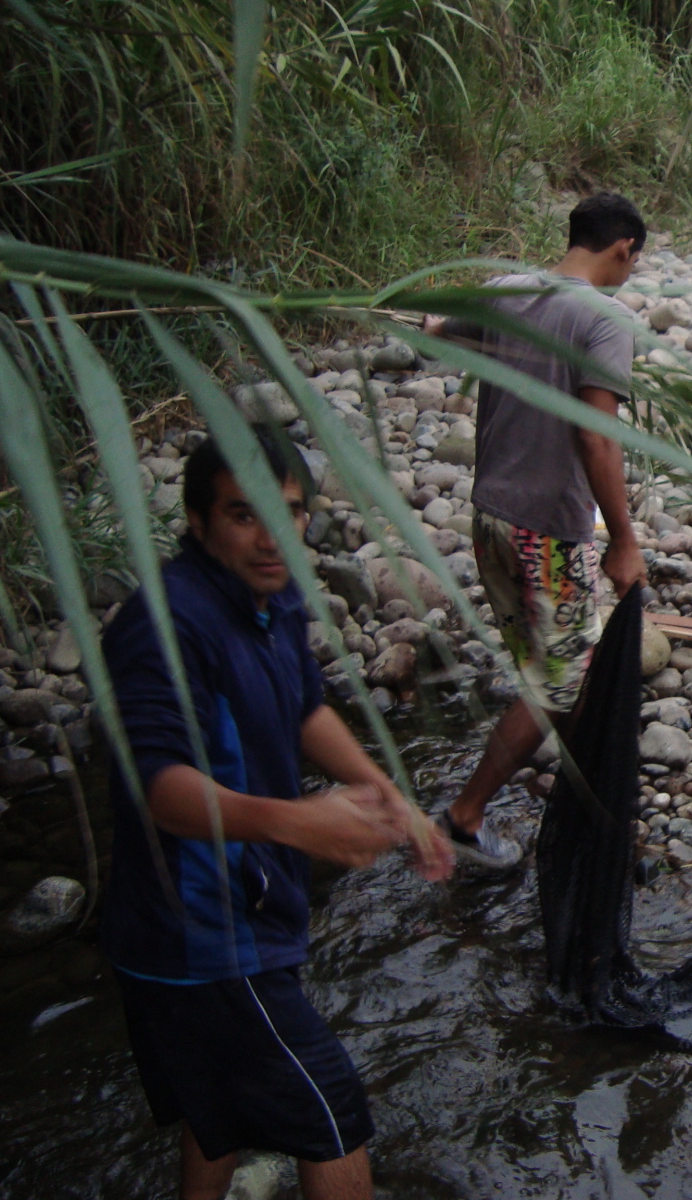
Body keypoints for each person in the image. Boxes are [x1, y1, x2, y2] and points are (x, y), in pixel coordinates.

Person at [101, 430, 452, 1200]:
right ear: (198, 522)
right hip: (197, 933)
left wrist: (386, 793)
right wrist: (302, 822)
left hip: (245, 909)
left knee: (218, 1100)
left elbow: (303, 708)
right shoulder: (165, 626)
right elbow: (160, 788)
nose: (272, 537)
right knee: (331, 1113)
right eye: (243, 514)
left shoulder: (271, 594)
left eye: (287, 513)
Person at [424, 192, 649, 866]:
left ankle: (592, 810)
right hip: (548, 531)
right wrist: (625, 540)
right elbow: (596, 437)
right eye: (634, 261)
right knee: (556, 683)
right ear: (622, 250)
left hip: (489, 517)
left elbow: (437, 333)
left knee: (554, 668)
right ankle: (464, 818)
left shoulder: (506, 289)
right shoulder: (606, 317)